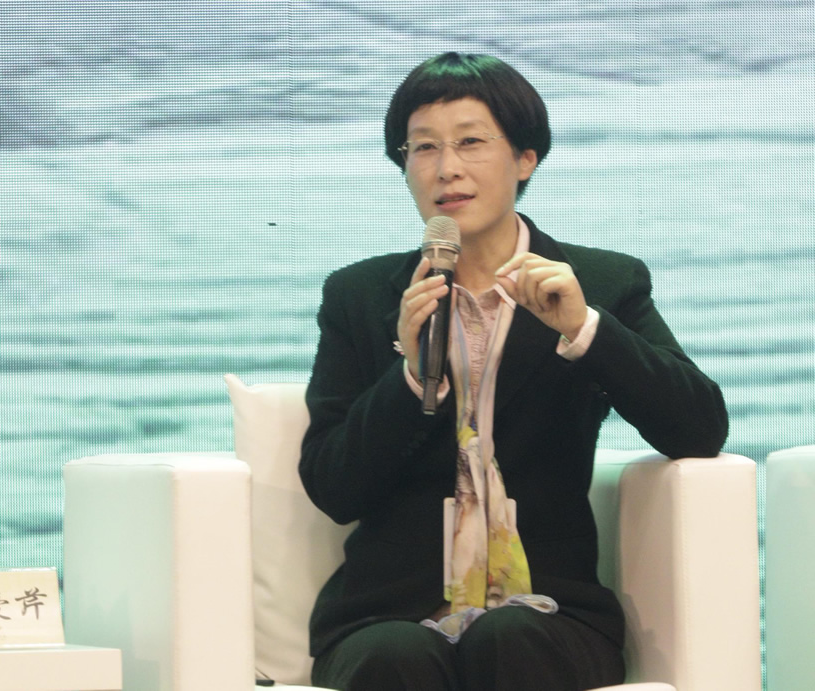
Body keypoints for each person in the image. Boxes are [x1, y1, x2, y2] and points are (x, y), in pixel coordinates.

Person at [298, 52, 728, 691]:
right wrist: (411, 376)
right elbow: (333, 488)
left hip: (550, 611)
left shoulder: (600, 282)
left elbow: (699, 429)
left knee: (511, 637)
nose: (447, 168)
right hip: (387, 612)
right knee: (395, 656)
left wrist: (585, 329)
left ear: (526, 158)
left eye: (470, 142)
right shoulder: (360, 296)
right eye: (424, 148)